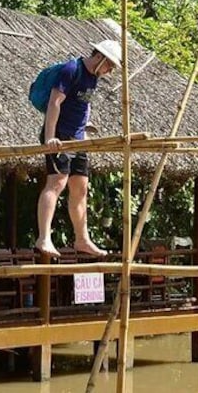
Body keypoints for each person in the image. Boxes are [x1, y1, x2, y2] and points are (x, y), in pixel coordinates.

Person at [34, 40, 121, 258]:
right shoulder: (71, 69)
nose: (110, 71)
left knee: (81, 187)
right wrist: (50, 137)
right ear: (101, 57)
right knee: (57, 182)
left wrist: (85, 124)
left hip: (78, 137)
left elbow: (84, 103)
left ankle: (82, 239)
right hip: (61, 136)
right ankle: (44, 237)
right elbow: (55, 102)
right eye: (110, 66)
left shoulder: (94, 77)